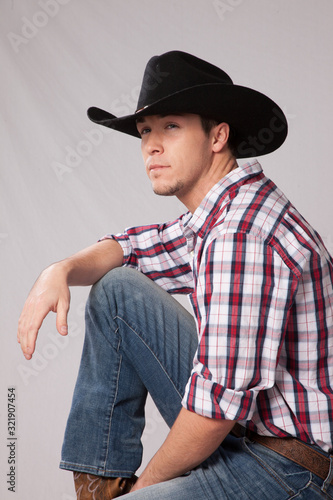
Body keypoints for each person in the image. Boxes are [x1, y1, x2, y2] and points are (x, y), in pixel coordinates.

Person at [18, 51, 333, 499]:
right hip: (249, 434)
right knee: (117, 289)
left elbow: (214, 414)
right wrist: (60, 270)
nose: (151, 145)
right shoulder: (221, 212)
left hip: (292, 469)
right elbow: (130, 248)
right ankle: (98, 488)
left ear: (218, 136)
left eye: (171, 127)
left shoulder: (240, 235)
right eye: (145, 131)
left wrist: (144, 488)